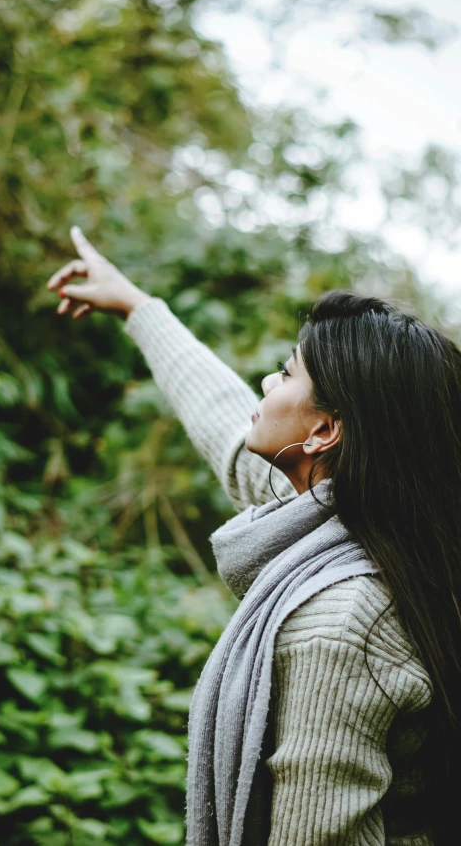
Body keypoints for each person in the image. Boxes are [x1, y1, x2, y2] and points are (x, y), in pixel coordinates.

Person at [47, 226, 461, 846]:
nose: (266, 385)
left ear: (324, 433)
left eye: (285, 374)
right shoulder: (368, 529)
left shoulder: (341, 621)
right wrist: (137, 306)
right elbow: (220, 419)